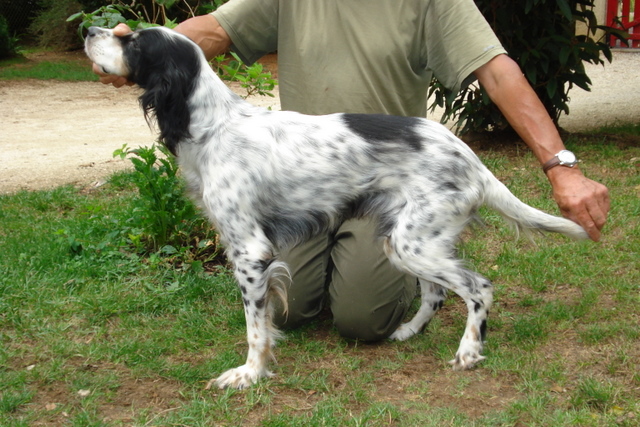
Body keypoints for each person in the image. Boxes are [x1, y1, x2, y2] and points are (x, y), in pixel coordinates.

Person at [95, 0, 609, 341]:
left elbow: (497, 71)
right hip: (300, 181)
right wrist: (138, 51)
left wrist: (560, 166)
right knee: (289, 310)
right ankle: (367, 262)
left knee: (363, 318)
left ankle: (420, 261)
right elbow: (211, 31)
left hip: (388, 177)